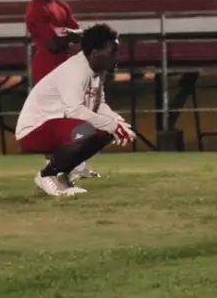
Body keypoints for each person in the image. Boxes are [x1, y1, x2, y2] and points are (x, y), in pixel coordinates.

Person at [14, 23, 134, 197]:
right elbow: (75, 111)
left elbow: (98, 105)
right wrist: (111, 124)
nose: (117, 57)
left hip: (56, 126)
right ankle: (47, 175)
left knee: (105, 132)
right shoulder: (75, 70)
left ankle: (61, 175)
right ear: (95, 52)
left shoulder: (96, 69)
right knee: (88, 129)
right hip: (33, 131)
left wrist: (117, 121)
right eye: (113, 52)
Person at [24, 0, 101, 183]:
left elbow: (81, 34)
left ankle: (76, 165)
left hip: (65, 69)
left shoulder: (61, 6)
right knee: (55, 120)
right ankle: (52, 169)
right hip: (48, 70)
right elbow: (53, 44)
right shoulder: (36, 9)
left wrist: (71, 35)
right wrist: (72, 35)